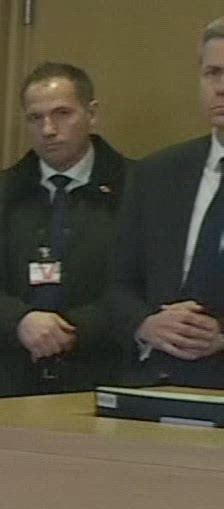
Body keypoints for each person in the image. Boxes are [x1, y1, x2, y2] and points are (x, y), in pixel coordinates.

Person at [0, 63, 131, 399]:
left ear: (91, 114)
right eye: (35, 118)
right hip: (4, 379)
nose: (48, 129)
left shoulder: (137, 189)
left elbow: (147, 285)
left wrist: (75, 329)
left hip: (103, 375)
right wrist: (20, 321)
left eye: (62, 114)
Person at [110, 18, 224, 389]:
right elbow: (117, 285)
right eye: (212, 73)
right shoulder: (157, 173)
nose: (221, 88)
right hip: (155, 382)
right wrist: (145, 324)